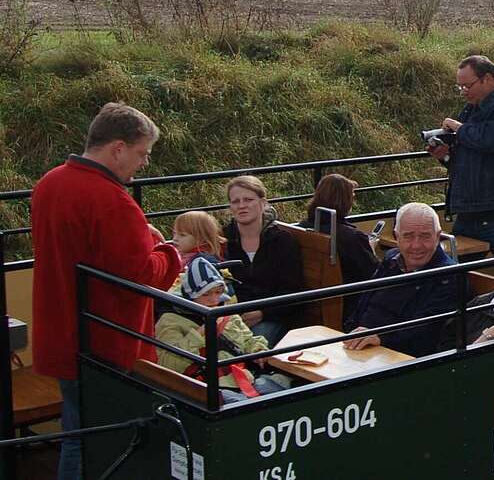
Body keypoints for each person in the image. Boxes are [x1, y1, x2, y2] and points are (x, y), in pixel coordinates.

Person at [30, 102, 182, 480]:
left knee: (76, 431)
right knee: (103, 441)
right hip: (106, 345)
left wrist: (141, 237)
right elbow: (143, 276)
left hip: (64, 333)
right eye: (141, 153)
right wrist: (170, 253)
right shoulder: (113, 201)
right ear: (117, 148)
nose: (144, 163)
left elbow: (83, 246)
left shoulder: (50, 183)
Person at [431, 55, 494, 256]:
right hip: (472, 210)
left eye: (467, 86)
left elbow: (487, 140)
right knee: (457, 272)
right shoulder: (472, 109)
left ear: (488, 79)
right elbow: (470, 156)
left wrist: (458, 128)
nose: (463, 92)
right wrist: (445, 155)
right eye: (459, 87)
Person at [154, 259, 290, 403]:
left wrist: (259, 350)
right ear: (191, 295)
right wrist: (199, 334)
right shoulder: (170, 320)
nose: (214, 299)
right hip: (207, 387)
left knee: (290, 387)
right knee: (243, 406)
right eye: (205, 294)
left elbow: (248, 339)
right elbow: (167, 366)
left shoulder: (225, 311)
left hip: (245, 379)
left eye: (218, 292)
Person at [345, 203, 464, 357]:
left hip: (400, 359)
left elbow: (426, 333)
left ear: (438, 236)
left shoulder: (450, 277)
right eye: (408, 236)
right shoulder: (390, 260)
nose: (416, 245)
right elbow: (365, 301)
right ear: (397, 237)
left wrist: (380, 337)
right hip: (360, 348)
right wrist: (351, 330)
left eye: (425, 236)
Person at [222, 175, 305, 346]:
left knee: (248, 346)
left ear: (263, 203)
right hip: (234, 316)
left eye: (248, 199)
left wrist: (262, 312)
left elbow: (292, 290)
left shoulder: (282, 241)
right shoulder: (224, 239)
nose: (242, 205)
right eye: (235, 201)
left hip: (274, 316)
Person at [298, 174, 380, 325]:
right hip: (345, 307)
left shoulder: (302, 229)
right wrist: (372, 249)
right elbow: (376, 275)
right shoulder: (351, 238)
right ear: (345, 201)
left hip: (311, 305)